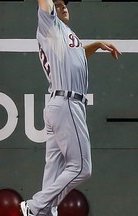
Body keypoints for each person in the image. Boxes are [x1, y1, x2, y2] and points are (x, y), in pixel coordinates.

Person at [20, 0, 121, 215]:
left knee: (53, 169)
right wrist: (49, 5)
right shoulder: (49, 25)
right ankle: (35, 206)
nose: (63, 6)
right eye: (57, 4)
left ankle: (44, 212)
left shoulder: (63, 33)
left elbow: (77, 58)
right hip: (67, 102)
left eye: (65, 4)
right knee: (81, 168)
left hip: (58, 104)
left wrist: (96, 45)